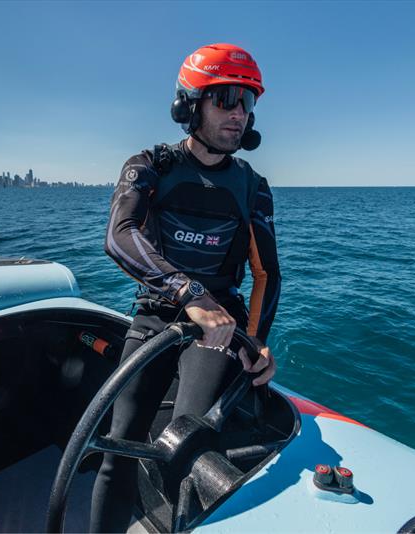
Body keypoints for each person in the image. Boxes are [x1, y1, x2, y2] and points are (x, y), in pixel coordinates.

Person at [91, 43, 281, 532]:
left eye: (248, 102)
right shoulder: (151, 164)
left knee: (189, 452)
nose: (239, 114)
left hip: (218, 326)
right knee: (118, 449)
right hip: (159, 312)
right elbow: (120, 235)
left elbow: (266, 275)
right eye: (227, 99)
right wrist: (188, 295)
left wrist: (255, 341)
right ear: (189, 105)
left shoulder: (253, 186)